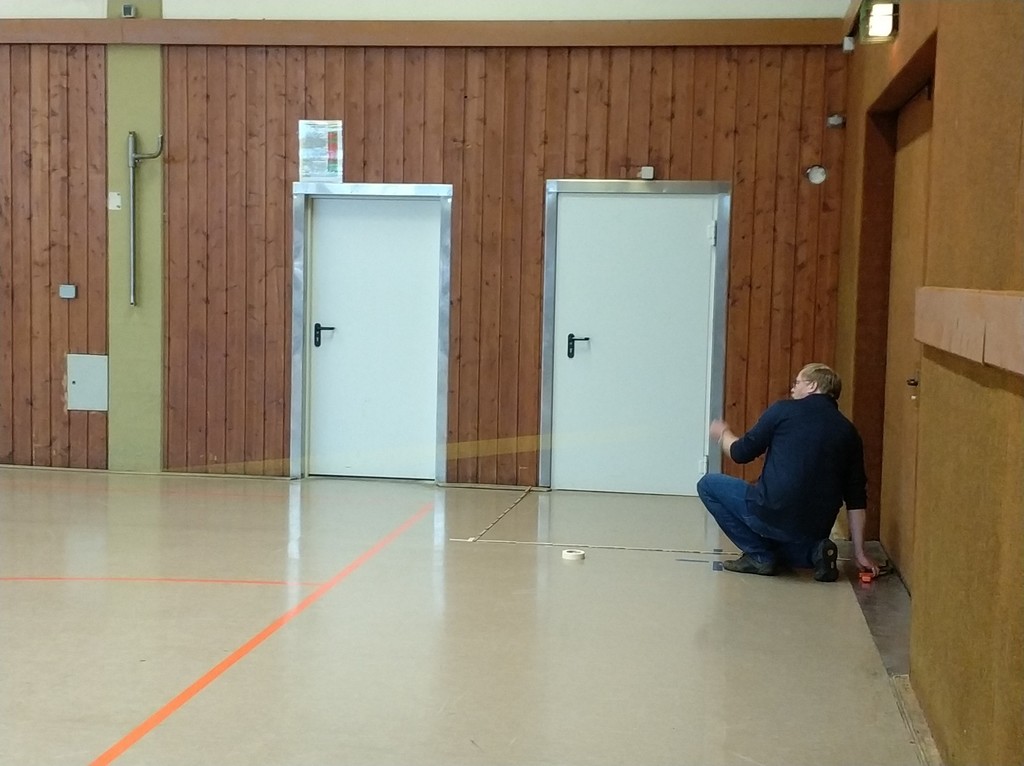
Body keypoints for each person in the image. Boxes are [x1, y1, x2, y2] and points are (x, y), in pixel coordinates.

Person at [697, 363, 880, 581]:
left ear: (812, 386)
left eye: (797, 382)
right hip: (816, 527)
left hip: (772, 510)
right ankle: (814, 552)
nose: (793, 388)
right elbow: (856, 498)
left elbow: (740, 453)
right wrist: (859, 552)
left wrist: (723, 434)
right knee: (795, 538)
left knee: (707, 484)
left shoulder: (783, 411)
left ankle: (759, 555)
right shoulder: (849, 432)